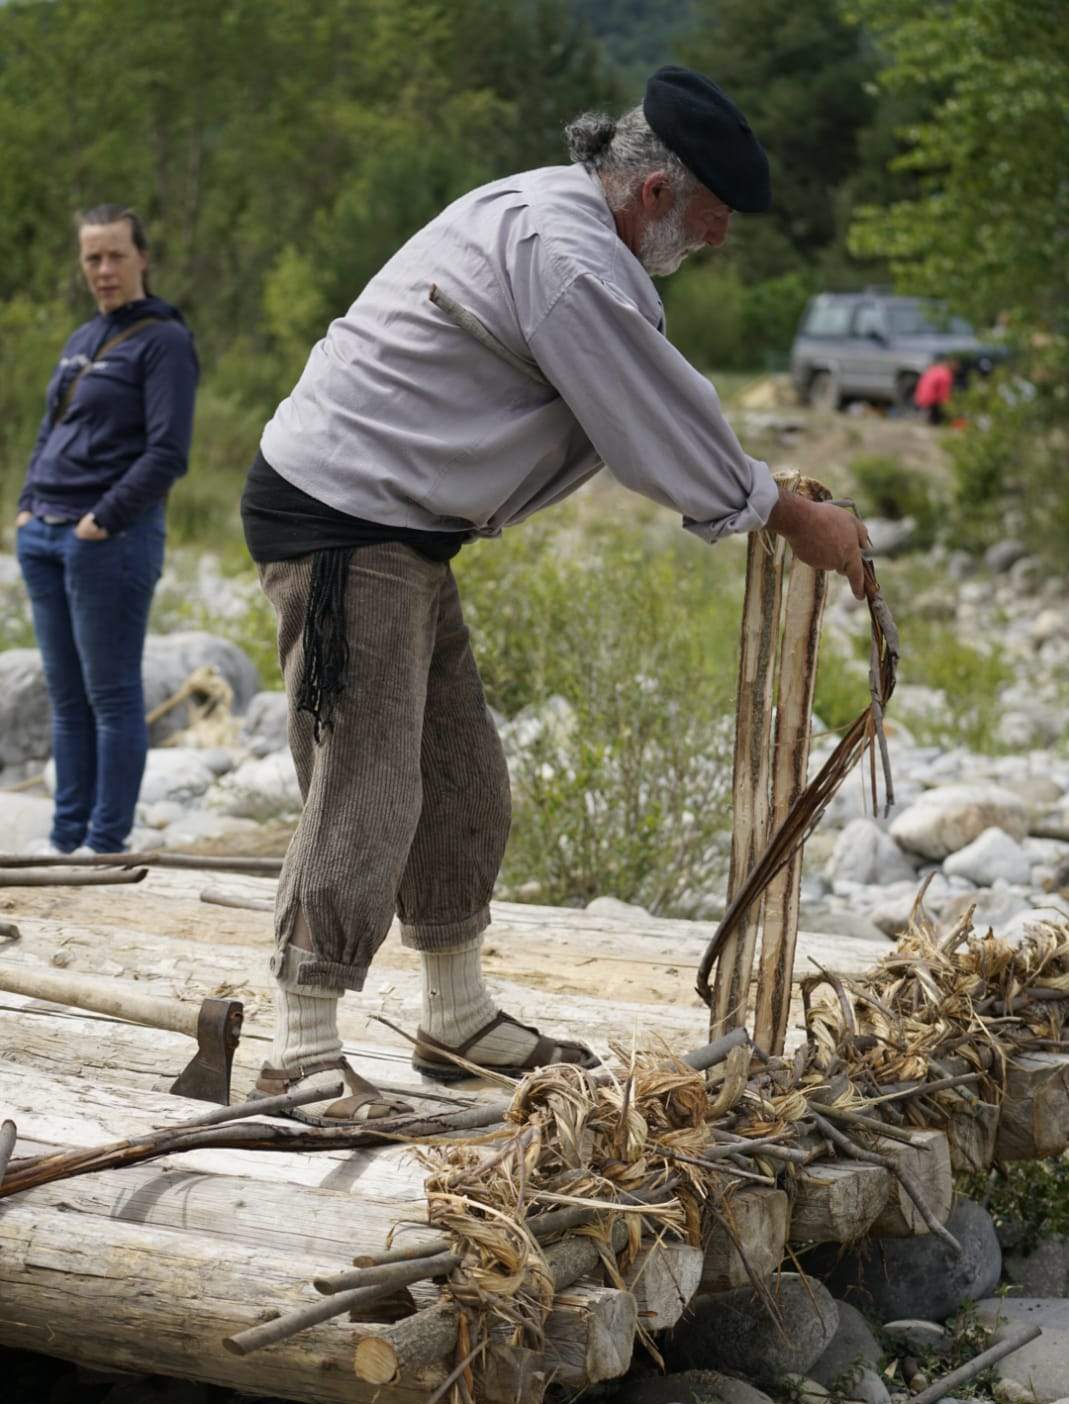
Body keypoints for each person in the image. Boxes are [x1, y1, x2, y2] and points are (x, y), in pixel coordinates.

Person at [240, 66, 871, 1126]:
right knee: (366, 783)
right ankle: (299, 1056)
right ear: (656, 191)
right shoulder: (568, 257)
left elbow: (654, 397)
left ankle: (455, 1017)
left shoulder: (568, 226)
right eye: (713, 216)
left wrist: (762, 495)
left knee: (462, 777)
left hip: (401, 525)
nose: (717, 241)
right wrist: (781, 512)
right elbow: (652, 418)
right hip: (343, 520)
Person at [16, 205, 199, 856]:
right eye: (92, 257)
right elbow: (51, 429)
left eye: (116, 255)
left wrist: (101, 521)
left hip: (108, 541)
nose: (104, 269)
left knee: (113, 697)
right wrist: (27, 504)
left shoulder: (164, 342)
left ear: (141, 257)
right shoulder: (81, 339)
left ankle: (104, 844)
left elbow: (168, 452)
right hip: (44, 534)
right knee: (67, 700)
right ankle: (66, 842)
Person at [913, 353, 959, 425]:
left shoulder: (934, 369)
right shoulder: (946, 374)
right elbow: (944, 395)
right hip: (930, 402)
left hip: (919, 398)